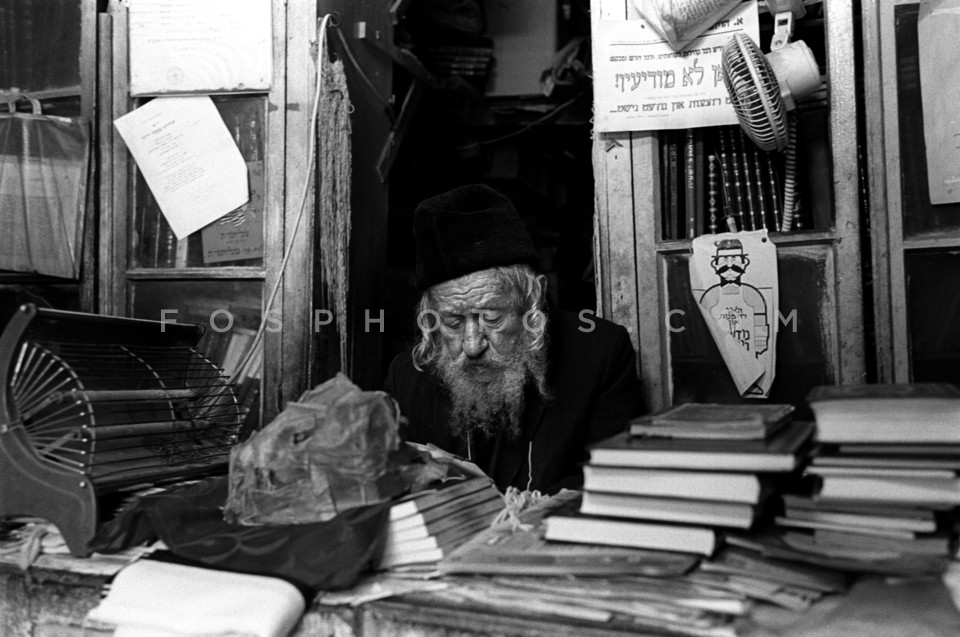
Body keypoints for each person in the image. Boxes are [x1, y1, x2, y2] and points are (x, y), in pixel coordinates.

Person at [384, 184, 643, 494]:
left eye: (492, 318)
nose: (472, 345)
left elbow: (612, 479)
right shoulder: (406, 376)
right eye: (453, 322)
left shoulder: (600, 354)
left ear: (532, 299)